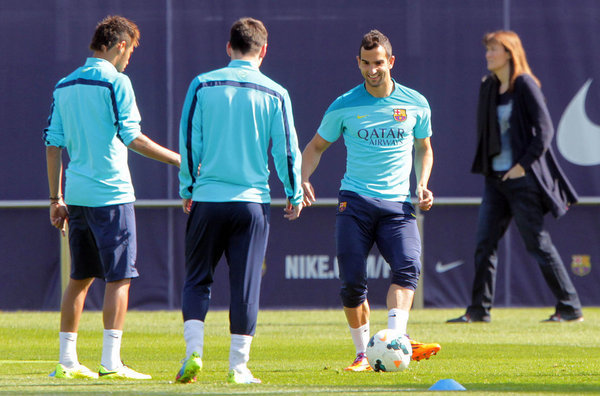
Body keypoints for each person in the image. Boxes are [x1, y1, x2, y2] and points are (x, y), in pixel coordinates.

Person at [44, 15, 181, 379]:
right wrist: (179, 160)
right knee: (119, 278)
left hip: (76, 196)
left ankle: (68, 361)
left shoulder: (64, 84)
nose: (130, 58)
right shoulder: (117, 82)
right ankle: (111, 362)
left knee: (80, 277)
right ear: (120, 45)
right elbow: (134, 138)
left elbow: (52, 146)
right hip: (112, 194)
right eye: (131, 50)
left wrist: (56, 199)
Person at [301, 29, 440, 372]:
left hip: (398, 206)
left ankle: (395, 341)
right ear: (358, 62)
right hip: (356, 203)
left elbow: (425, 147)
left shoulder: (416, 103)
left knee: (408, 266)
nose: (372, 69)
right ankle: (364, 353)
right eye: (365, 63)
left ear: (390, 61)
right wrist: (302, 179)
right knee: (351, 281)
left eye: (378, 62)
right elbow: (316, 146)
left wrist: (422, 184)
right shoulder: (344, 104)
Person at [175, 17, 303, 384]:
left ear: (228, 48)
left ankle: (193, 354)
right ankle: (238, 367)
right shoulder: (276, 92)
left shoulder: (202, 84)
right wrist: (293, 192)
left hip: (208, 199)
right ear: (263, 50)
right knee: (245, 284)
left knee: (197, 279)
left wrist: (189, 188)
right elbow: (287, 151)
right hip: (250, 203)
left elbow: (189, 142)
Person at [447, 30, 582, 324]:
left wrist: (522, 165)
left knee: (537, 243)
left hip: (523, 180)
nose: (488, 55)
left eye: (493, 50)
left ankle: (570, 308)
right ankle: (478, 311)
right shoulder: (489, 86)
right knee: (485, 244)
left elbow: (545, 131)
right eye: (488, 50)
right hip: (495, 181)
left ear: (508, 52)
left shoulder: (525, 84)